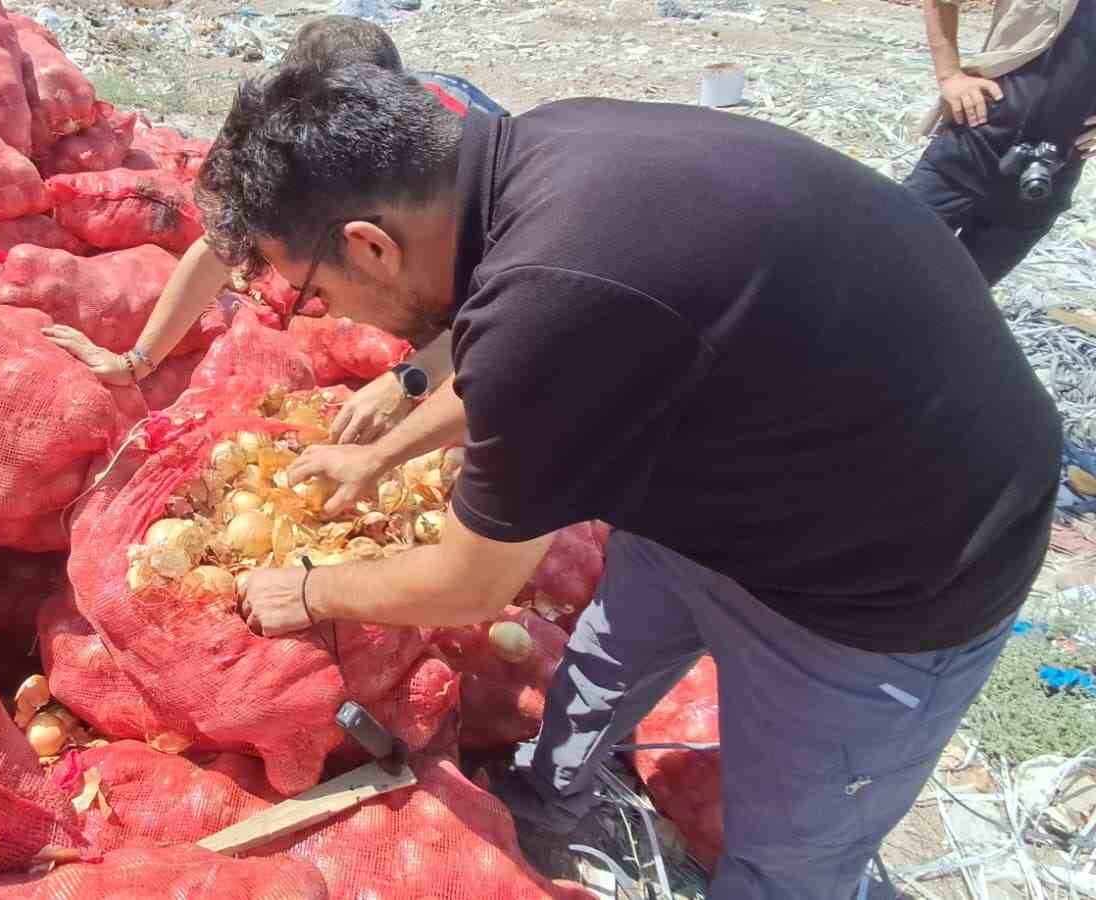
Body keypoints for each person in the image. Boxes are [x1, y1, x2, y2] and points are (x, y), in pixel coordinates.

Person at [211, 64, 1061, 898]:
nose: (327, 316)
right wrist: (378, 456)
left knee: (794, 854)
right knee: (611, 653)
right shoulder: (534, 162)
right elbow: (530, 352)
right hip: (759, 464)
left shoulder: (553, 288)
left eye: (313, 294)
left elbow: (467, 583)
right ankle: (552, 789)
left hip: (900, 560)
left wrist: (313, 591)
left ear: (370, 245)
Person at [41, 14, 504, 445]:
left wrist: (412, 379)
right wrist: (137, 362)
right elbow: (221, 246)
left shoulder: (455, 143)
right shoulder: (275, 138)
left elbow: (510, 306)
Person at [904, 0, 1096, 285]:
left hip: (1048, 180)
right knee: (882, 260)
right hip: (969, 149)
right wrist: (950, 75)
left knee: (963, 299)